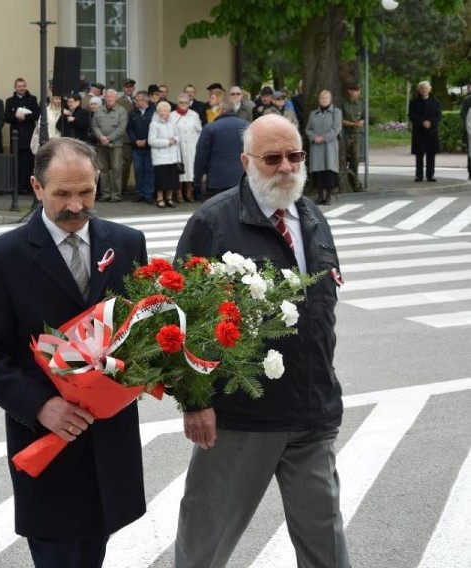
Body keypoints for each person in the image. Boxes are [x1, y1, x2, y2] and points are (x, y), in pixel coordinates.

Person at [173, 114, 348, 568]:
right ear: (246, 162)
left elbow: (320, 312)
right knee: (203, 545)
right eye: (273, 159)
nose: (287, 167)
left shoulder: (311, 218)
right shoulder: (213, 222)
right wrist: (195, 401)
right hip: (239, 419)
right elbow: (181, 319)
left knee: (326, 547)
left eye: (295, 156)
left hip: (311, 414)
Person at [0, 137, 148, 568]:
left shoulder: (127, 243)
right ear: (36, 187)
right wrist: (41, 405)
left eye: (85, 192)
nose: (75, 205)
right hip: (48, 441)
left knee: (94, 552)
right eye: (62, 193)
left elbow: (143, 328)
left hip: (109, 442)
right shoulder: (1, 257)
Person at [192, 99, 249, 200]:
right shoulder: (247, 126)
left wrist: (197, 181)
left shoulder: (210, 128)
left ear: (221, 110)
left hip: (217, 181)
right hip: (242, 179)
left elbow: (201, 157)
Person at [306, 89, 343, 205]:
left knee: (329, 170)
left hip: (329, 146)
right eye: (322, 98)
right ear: (319, 99)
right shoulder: (313, 114)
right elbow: (308, 129)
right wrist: (313, 137)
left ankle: (328, 196)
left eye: (326, 98)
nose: (324, 100)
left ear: (330, 99)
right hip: (316, 147)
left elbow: (336, 129)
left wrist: (324, 137)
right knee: (318, 172)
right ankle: (320, 195)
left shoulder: (336, 112)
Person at [91, 89, 128, 202]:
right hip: (101, 144)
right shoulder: (99, 110)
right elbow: (94, 126)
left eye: (111, 97)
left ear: (116, 98)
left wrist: (109, 138)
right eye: (107, 97)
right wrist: (100, 137)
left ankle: (116, 195)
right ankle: (105, 194)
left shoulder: (122, 111)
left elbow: (122, 128)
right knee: (103, 169)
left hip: (116, 145)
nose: (109, 99)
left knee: (117, 169)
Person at [5, 77, 40, 194]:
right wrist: (16, 117)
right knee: (17, 161)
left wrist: (26, 117)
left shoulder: (32, 99)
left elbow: (37, 114)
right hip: (16, 136)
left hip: (29, 134)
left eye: (23, 86)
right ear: (15, 88)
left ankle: (29, 186)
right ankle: (18, 186)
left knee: (29, 161)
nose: (21, 88)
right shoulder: (10, 101)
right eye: (19, 86)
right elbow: (6, 117)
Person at [148, 100, 180, 208]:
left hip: (172, 156)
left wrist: (175, 140)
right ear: (158, 112)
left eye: (166, 110)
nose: (164, 112)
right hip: (160, 157)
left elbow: (178, 136)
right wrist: (167, 142)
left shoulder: (173, 122)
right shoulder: (154, 124)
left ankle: (169, 198)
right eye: (161, 110)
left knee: (172, 179)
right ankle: (160, 198)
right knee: (161, 180)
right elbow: (151, 141)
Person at [408, 80, 442, 182]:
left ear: (429, 90)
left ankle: (430, 175)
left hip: (431, 131)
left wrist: (430, 122)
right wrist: (422, 122)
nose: (424, 90)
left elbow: (438, 115)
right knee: (419, 154)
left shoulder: (436, 102)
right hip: (419, 131)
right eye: (422, 88)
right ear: (419, 90)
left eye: (426, 88)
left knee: (431, 154)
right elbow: (412, 114)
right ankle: (419, 175)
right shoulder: (414, 102)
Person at [126, 90, 155, 204]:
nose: (135, 102)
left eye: (137, 100)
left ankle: (148, 194)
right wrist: (135, 141)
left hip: (150, 147)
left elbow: (156, 129)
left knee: (149, 170)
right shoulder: (133, 112)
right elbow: (130, 129)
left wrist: (146, 141)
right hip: (136, 147)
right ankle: (139, 193)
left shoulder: (153, 112)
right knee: (138, 170)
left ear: (145, 100)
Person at [173, 94, 203, 203]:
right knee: (179, 172)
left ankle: (189, 193)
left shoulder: (194, 115)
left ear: (189, 103)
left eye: (185, 102)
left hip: (191, 147)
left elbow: (199, 131)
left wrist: (197, 144)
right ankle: (179, 193)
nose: (183, 105)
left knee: (191, 171)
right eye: (181, 102)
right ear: (177, 103)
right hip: (178, 148)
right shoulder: (172, 115)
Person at [340, 84, 365, 193]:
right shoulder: (344, 104)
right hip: (346, 134)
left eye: (358, 90)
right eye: (355, 90)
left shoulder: (361, 104)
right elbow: (340, 119)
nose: (357, 93)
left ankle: (355, 183)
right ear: (350, 91)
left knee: (355, 159)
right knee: (344, 158)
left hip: (357, 134)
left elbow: (364, 117)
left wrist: (361, 122)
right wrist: (352, 124)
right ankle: (343, 181)